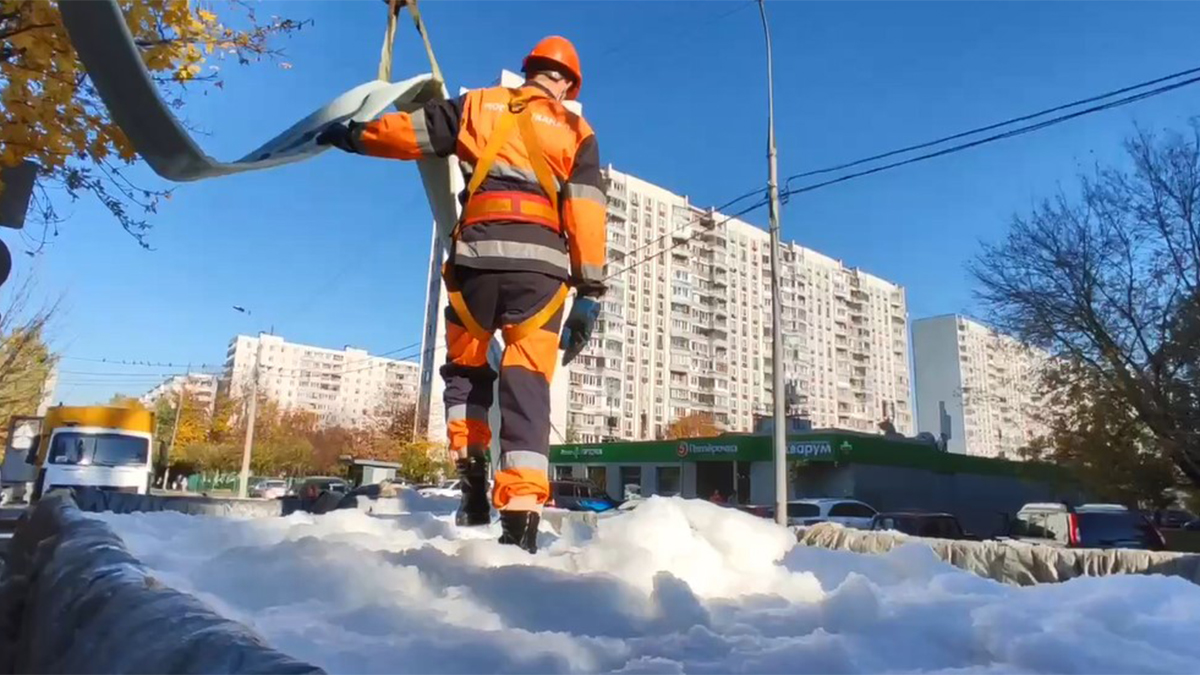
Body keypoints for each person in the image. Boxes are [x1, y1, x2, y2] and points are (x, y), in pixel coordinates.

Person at [317, 36, 606, 553]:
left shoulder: (479, 105)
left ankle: (472, 490)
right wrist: (589, 290)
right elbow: (585, 210)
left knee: (468, 378)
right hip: (540, 277)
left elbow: (410, 133)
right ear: (565, 83)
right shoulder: (574, 130)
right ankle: (519, 521)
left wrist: (355, 134)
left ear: (528, 71)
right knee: (527, 390)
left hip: (474, 267)